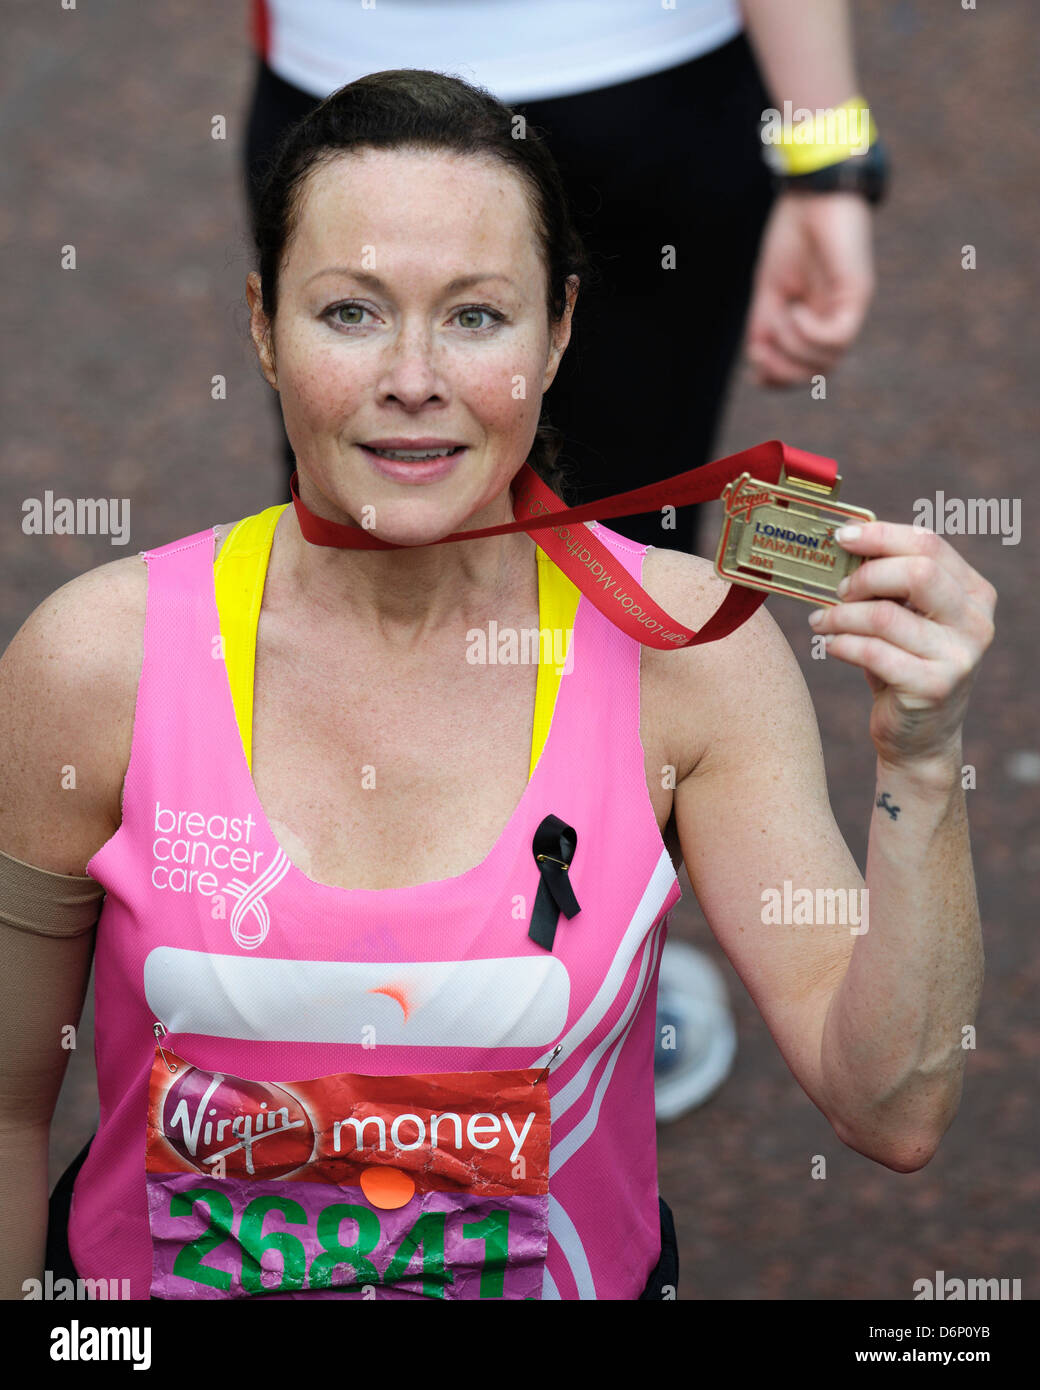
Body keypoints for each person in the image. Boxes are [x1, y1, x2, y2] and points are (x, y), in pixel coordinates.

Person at [0, 70, 992, 1302]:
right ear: (260, 326)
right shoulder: (94, 660)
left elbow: (886, 1103)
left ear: (559, 329)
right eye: (350, 312)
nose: (413, 377)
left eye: (475, 317)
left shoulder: (688, 655)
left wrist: (921, 756)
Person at [242, 0, 888, 1119]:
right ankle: (596, 978)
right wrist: (826, 152)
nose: (414, 368)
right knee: (620, 575)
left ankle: (318, 948)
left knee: (360, 535)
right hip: (636, 79)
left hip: (340, 70)